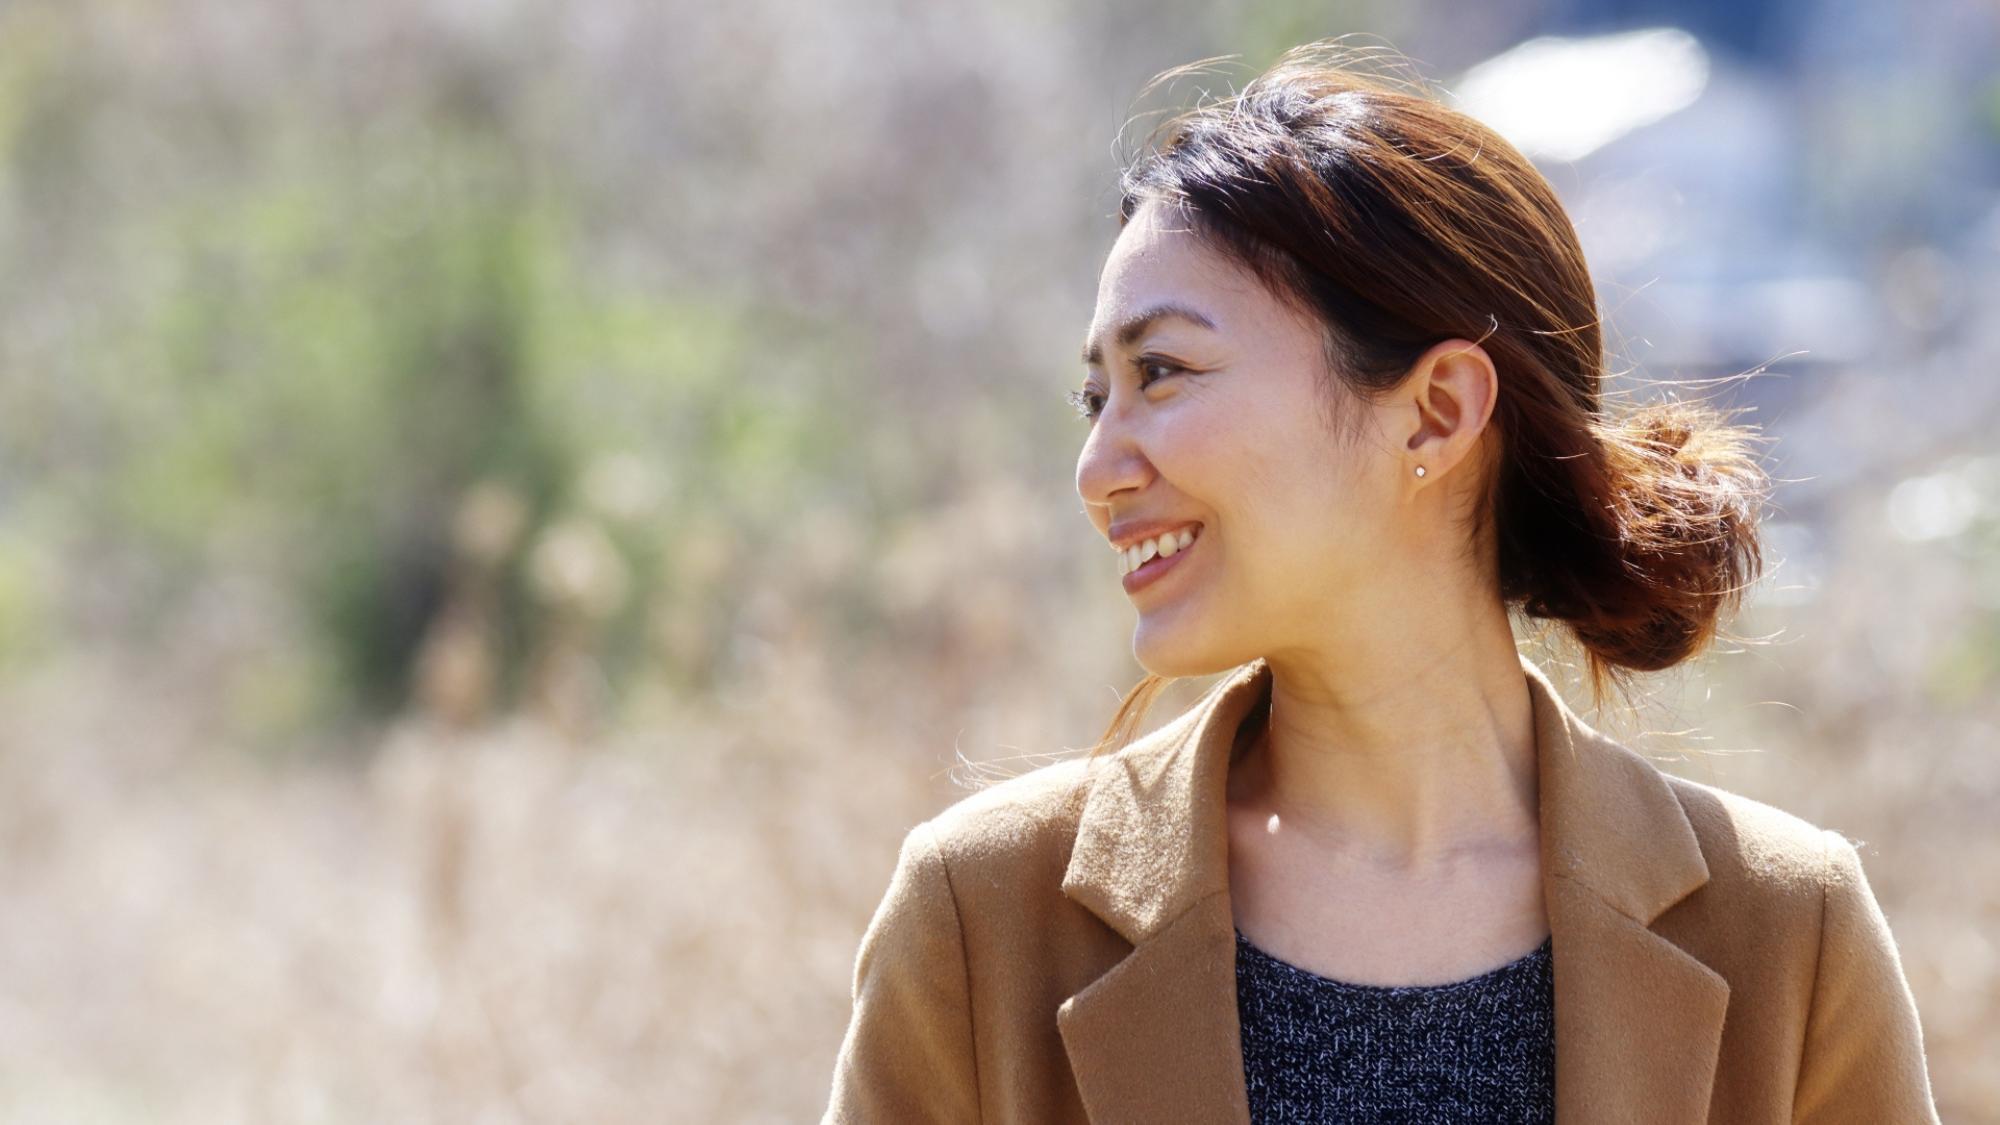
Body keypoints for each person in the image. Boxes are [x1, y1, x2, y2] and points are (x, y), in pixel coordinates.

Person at [823, 41, 1938, 1124]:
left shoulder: (1786, 936)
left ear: (1437, 410)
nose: (1095, 470)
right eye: (1094, 398)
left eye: (1159, 373)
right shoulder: (982, 924)